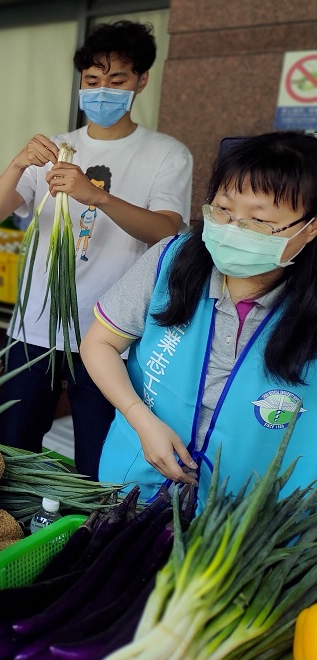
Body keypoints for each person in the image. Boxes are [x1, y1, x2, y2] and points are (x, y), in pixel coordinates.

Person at [0, 20, 192, 479]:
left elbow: (167, 232)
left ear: (141, 81)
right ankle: (15, 531)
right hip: (33, 327)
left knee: (97, 458)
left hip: (107, 336)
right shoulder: (59, 148)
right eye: (93, 81)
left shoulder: (166, 154)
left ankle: (85, 540)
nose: (102, 91)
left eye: (117, 80)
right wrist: (17, 164)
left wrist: (98, 197)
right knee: (13, 448)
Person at [82, 132, 317, 512]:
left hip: (252, 519)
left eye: (259, 221)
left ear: (310, 227)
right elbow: (99, 344)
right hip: (137, 484)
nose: (234, 229)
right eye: (223, 210)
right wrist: (139, 419)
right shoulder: (171, 262)